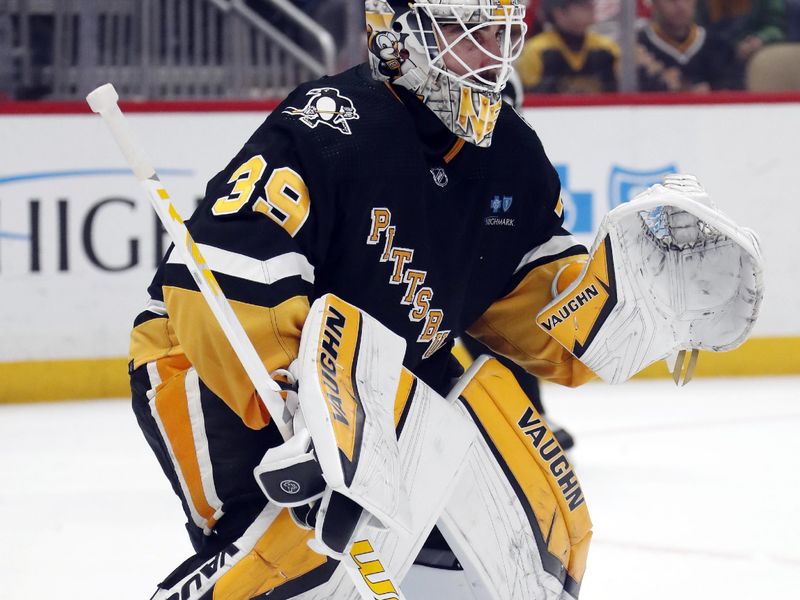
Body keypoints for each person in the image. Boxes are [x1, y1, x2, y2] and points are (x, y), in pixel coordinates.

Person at [127, 1, 762, 598]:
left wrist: (622, 307)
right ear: (401, 34)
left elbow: (527, 302)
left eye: (504, 33)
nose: (495, 54)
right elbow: (225, 274)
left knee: (536, 549)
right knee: (295, 563)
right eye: (473, 34)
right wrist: (297, 395)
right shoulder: (328, 123)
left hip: (389, 384)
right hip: (215, 366)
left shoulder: (510, 154)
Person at [517, 0, 621, 93]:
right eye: (582, 4)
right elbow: (529, 96)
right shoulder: (537, 50)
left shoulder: (606, 48)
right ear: (560, 13)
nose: (591, 7)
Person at [637, 0, 737, 91]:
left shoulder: (718, 46)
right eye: (671, 1)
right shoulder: (639, 47)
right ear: (655, 4)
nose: (680, 6)